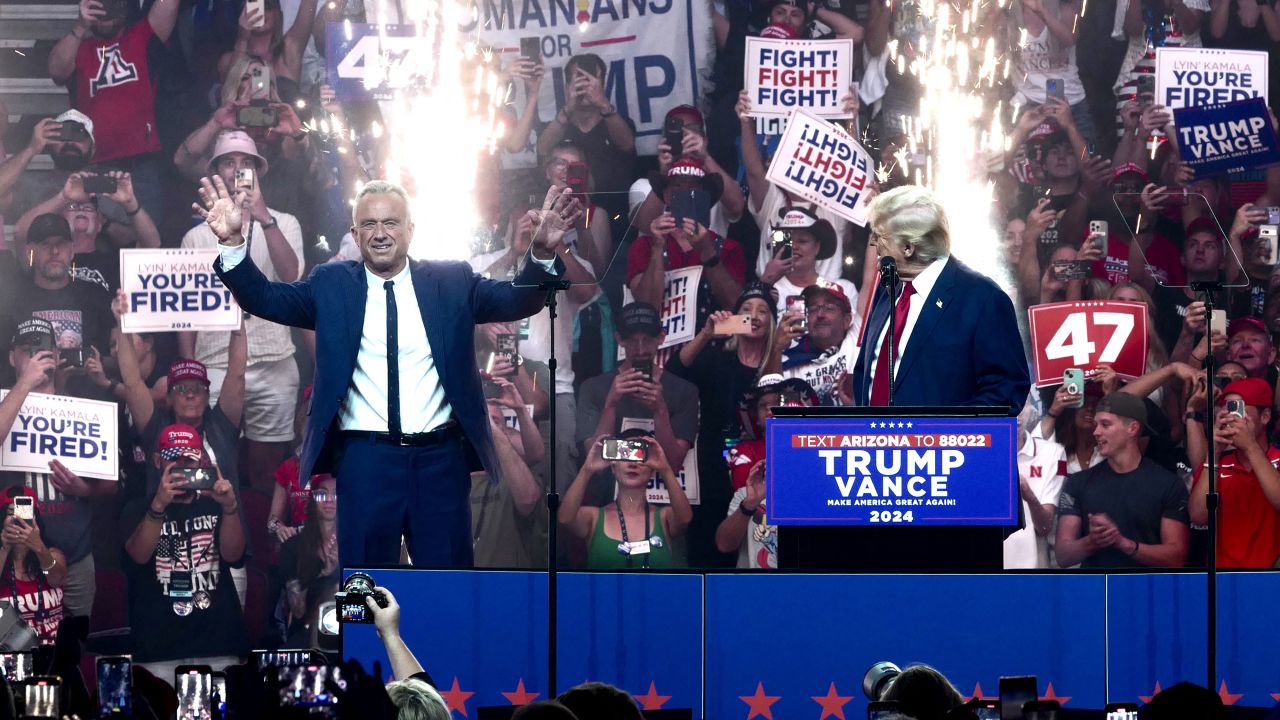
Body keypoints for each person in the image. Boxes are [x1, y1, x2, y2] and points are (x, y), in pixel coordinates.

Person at [209, 178, 576, 567]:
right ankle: (368, 631)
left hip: (439, 460)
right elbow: (264, 297)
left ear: (411, 231)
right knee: (366, 591)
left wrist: (540, 253)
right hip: (365, 461)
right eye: (368, 224)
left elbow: (519, 299)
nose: (380, 233)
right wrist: (233, 243)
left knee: (446, 587)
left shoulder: (452, 281)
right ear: (354, 233)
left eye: (391, 223)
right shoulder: (330, 284)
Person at [180, 130, 304, 496]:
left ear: (258, 172)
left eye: (246, 163)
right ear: (216, 171)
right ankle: (230, 544)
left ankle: (263, 545)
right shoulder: (196, 237)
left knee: (265, 470)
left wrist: (264, 216)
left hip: (276, 360)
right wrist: (190, 368)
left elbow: (291, 275)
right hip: (216, 361)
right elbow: (186, 309)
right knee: (216, 463)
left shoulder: (285, 222)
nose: (237, 170)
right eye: (229, 162)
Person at [850, 186, 1030, 412]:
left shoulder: (982, 299)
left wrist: (941, 432)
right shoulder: (888, 287)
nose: (873, 243)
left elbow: (1006, 390)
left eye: (879, 235)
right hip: (871, 443)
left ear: (908, 247)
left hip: (942, 446)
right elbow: (866, 373)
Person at [0, 317, 113, 619]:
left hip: (75, 557)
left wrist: (84, 489)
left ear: (58, 356)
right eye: (28, 349)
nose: (38, 356)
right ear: (12, 357)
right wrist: (26, 382)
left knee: (72, 649)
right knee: (16, 648)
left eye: (46, 349)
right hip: (16, 560)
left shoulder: (84, 409)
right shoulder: (4, 404)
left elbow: (112, 484)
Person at [122, 423, 248, 680]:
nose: (183, 467)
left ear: (202, 462)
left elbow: (234, 556)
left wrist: (230, 508)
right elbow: (138, 556)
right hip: (159, 647)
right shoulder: (137, 509)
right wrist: (158, 505)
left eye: (189, 459)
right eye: (175, 460)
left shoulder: (217, 505)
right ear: (157, 461)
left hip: (218, 642)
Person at [46, 0, 182, 217]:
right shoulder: (79, 47)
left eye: (113, 4)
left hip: (141, 164)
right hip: (92, 164)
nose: (106, 12)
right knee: (96, 237)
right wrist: (81, 25)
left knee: (144, 242)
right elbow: (56, 71)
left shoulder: (141, 36)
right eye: (100, 5)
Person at [1055, 392, 1191, 568]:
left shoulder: (1168, 484)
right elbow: (1063, 556)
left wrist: (1123, 543)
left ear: (1133, 428)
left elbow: (1176, 557)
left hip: (1148, 590)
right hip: (1097, 590)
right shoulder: (1078, 482)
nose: (1095, 432)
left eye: (1105, 424)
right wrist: (1092, 541)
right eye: (1096, 425)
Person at [559, 432, 692, 570]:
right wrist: (587, 469)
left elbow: (685, 519)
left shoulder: (665, 516)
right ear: (613, 467)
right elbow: (565, 519)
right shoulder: (594, 516)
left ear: (652, 470)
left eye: (640, 456)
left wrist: (665, 468)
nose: (633, 464)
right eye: (625, 454)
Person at [1188, 378, 1280, 568]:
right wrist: (1213, 453)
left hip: (1272, 576)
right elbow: (1198, 516)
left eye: (1238, 409)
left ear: (1265, 416)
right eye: (1226, 409)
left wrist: (1250, 447)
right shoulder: (1217, 462)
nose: (1231, 417)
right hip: (1223, 576)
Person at [270, 475, 339, 647]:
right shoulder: (293, 547)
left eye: (336, 494)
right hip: (306, 635)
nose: (329, 500)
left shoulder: (355, 544)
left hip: (348, 630)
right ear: (312, 501)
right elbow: (298, 610)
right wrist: (325, 575)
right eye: (322, 494)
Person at [1004, 398, 1067, 569]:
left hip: (1033, 570)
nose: (1017, 412)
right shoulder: (975, 455)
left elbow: (1045, 527)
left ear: (1032, 409)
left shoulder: (1054, 453)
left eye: (1022, 405)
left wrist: (1027, 493)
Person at [0, 487, 67, 644]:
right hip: (13, 656)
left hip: (53, 653)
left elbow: (56, 579)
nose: (20, 520)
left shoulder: (52, 553)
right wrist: (5, 548)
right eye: (12, 514)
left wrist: (38, 546)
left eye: (25, 514)